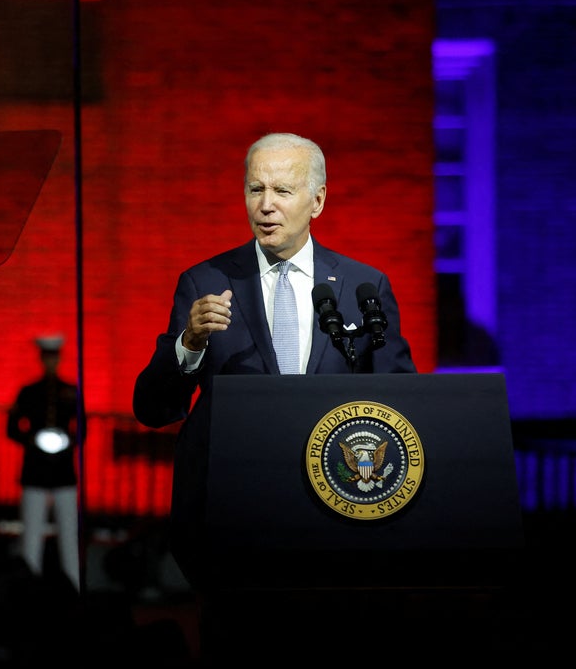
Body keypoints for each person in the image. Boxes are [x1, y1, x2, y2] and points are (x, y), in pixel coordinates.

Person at [132, 132, 417, 660]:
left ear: (318, 200)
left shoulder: (362, 286)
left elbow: (401, 405)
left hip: (338, 524)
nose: (265, 205)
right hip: (234, 526)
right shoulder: (204, 282)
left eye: (283, 191)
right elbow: (153, 409)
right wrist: (188, 343)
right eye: (254, 188)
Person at [5, 335, 82, 591]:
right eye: (47, 357)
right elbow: (12, 428)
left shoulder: (70, 392)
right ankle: (30, 590)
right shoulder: (29, 392)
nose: (51, 361)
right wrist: (32, 440)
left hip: (63, 471)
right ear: (42, 359)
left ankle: (73, 588)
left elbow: (82, 429)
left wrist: (67, 441)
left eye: (54, 357)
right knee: (31, 536)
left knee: (69, 535)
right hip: (35, 470)